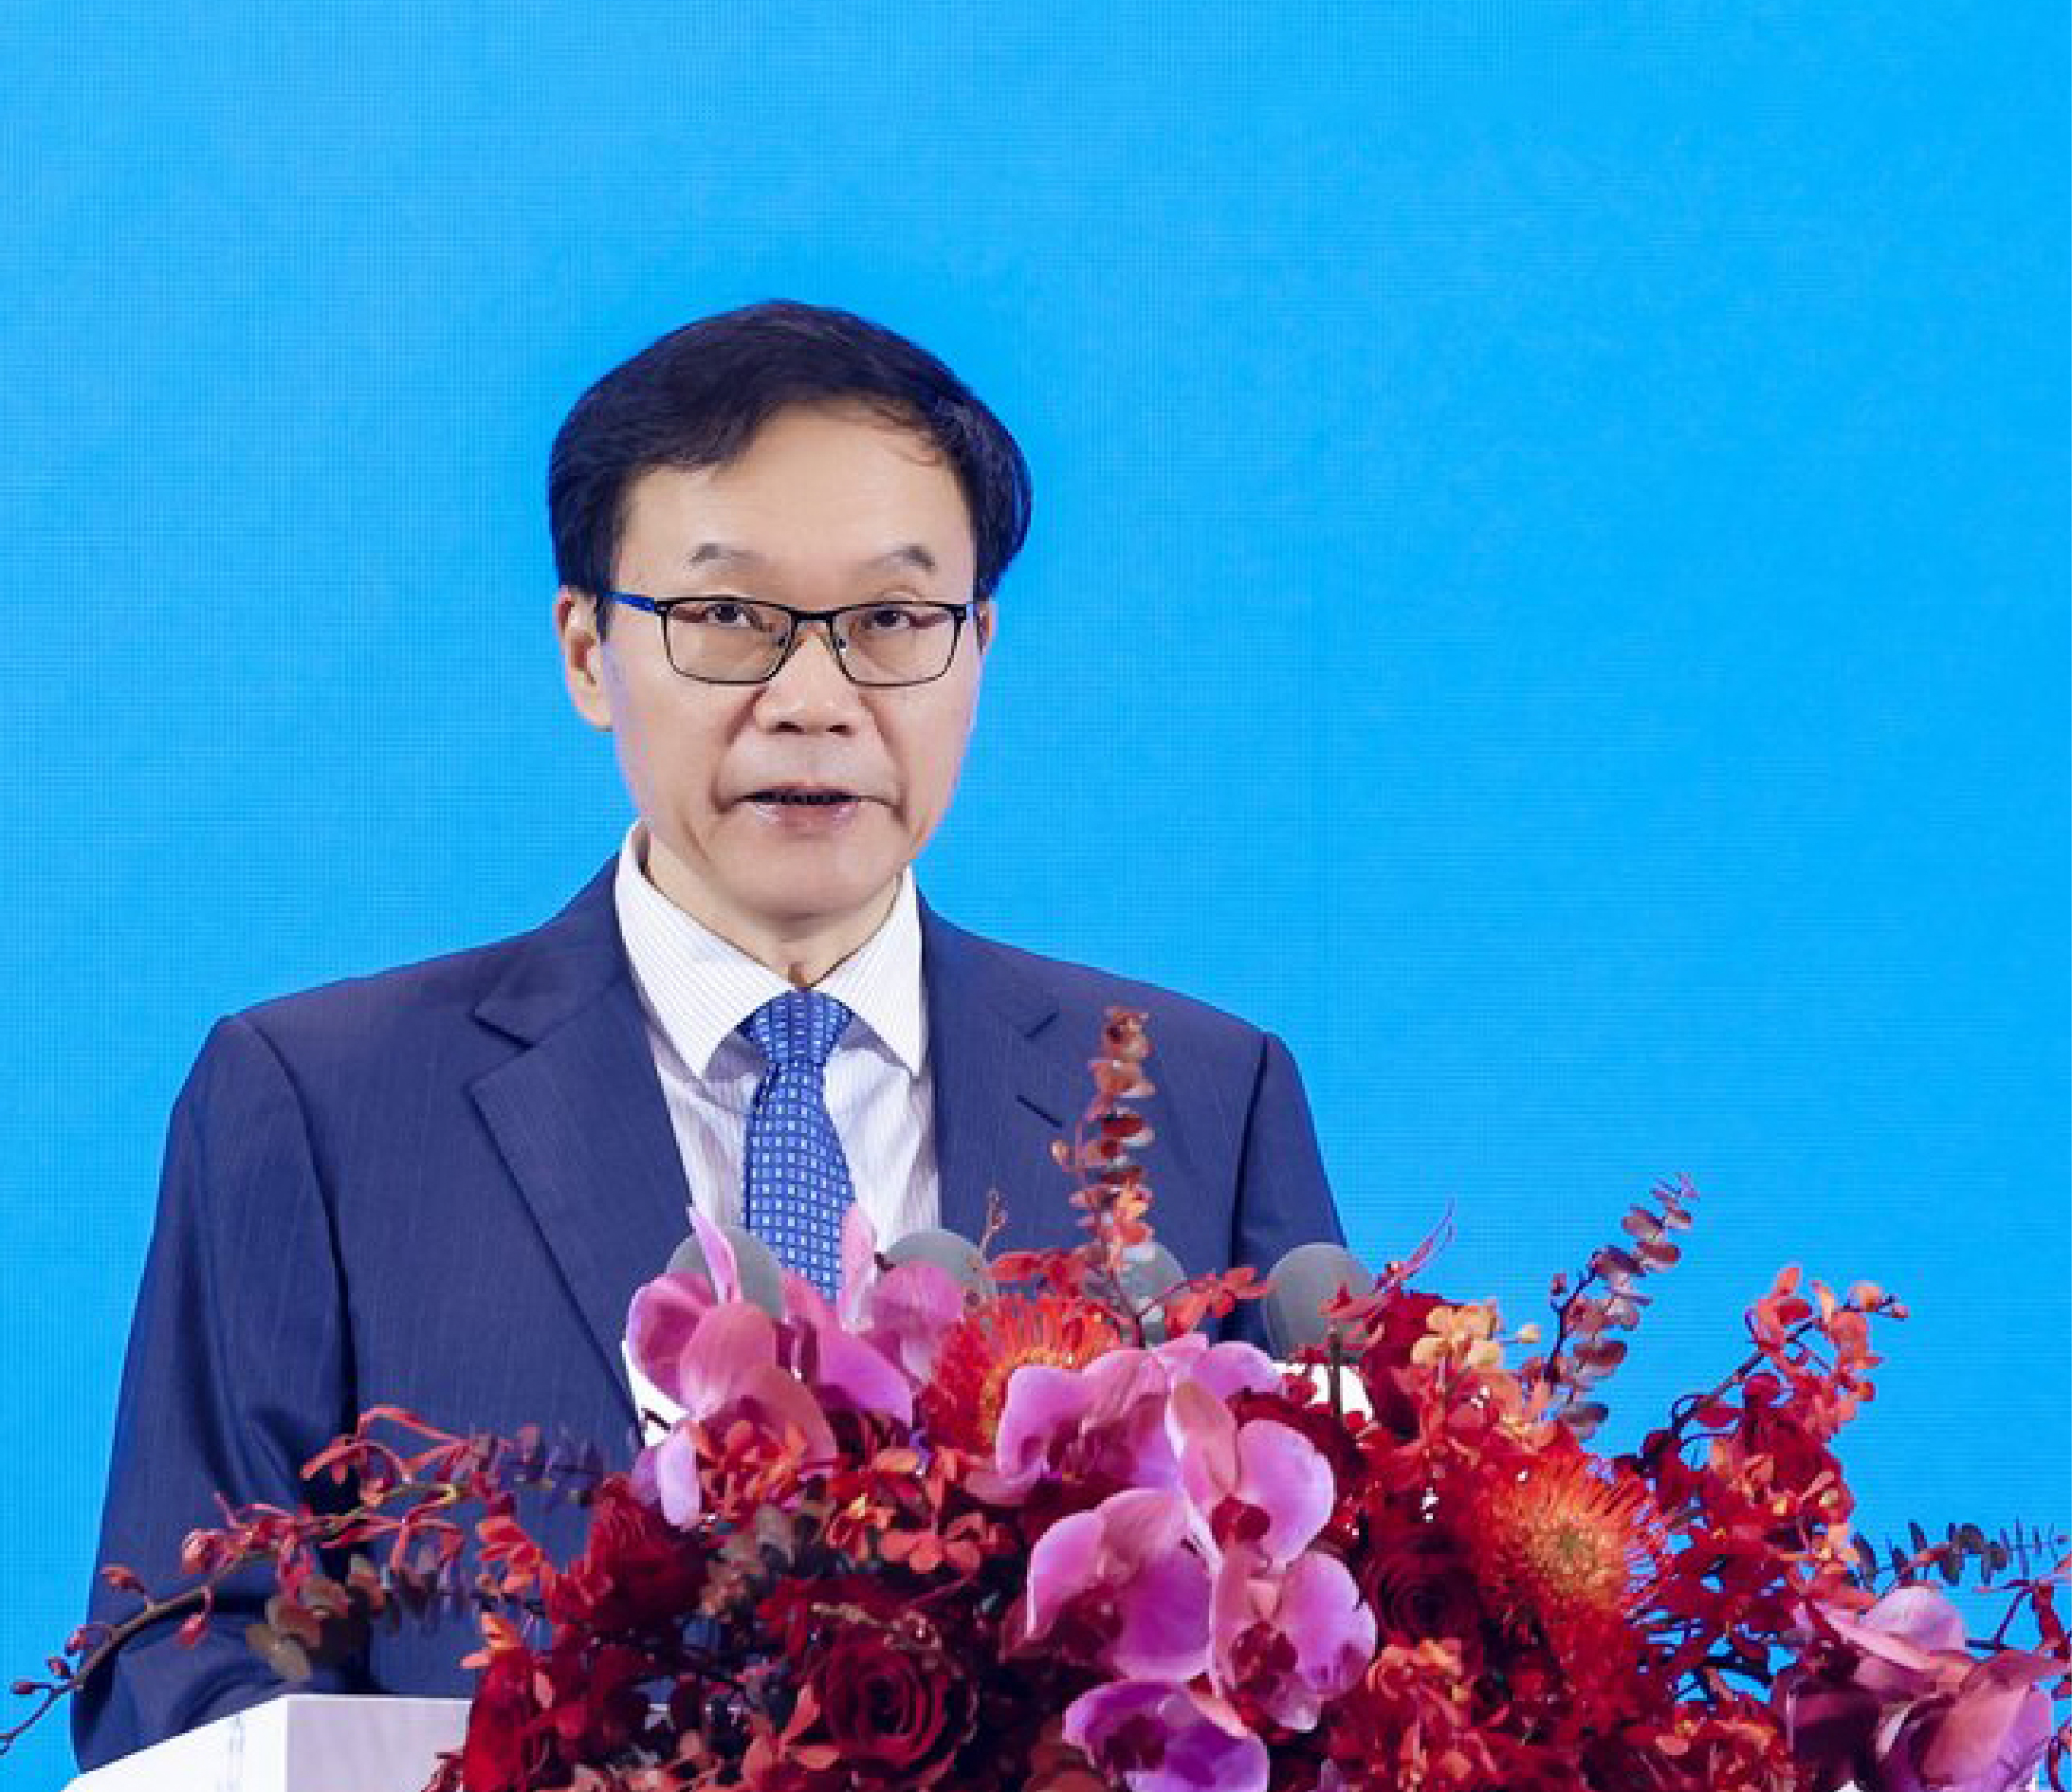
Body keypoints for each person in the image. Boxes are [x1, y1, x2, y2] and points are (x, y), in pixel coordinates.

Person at [71, 301, 1345, 1768]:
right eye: (728, 618)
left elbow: (1315, 1654)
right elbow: (182, 1676)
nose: (811, 699)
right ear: (586, 650)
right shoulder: (322, 1107)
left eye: (890, 622)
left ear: (977, 646)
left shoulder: (1204, 1095)